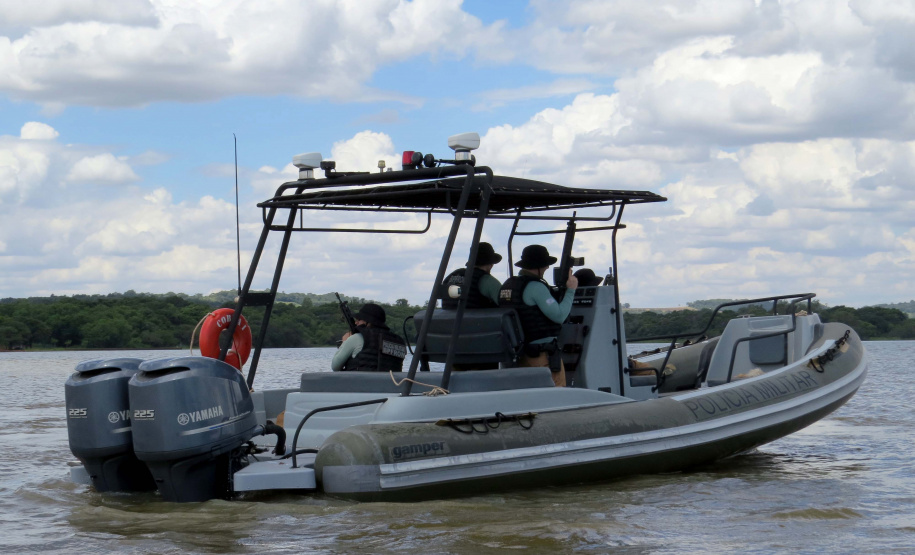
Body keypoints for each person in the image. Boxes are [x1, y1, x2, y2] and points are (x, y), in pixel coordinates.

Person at [499, 245, 577, 386]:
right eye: (546, 265)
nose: (547, 268)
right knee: (556, 397)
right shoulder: (536, 287)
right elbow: (559, 316)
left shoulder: (508, 285)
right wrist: (571, 290)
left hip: (517, 355)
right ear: (539, 265)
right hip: (541, 356)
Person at [331, 303, 407, 372]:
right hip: (392, 385)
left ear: (368, 322)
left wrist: (344, 342)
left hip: (360, 385)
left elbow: (335, 366)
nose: (356, 322)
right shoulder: (398, 341)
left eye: (359, 319)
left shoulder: (356, 338)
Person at [440, 242, 503, 309]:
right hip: (479, 319)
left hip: (450, 319)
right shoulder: (488, 281)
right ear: (491, 264)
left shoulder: (449, 278)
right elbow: (508, 304)